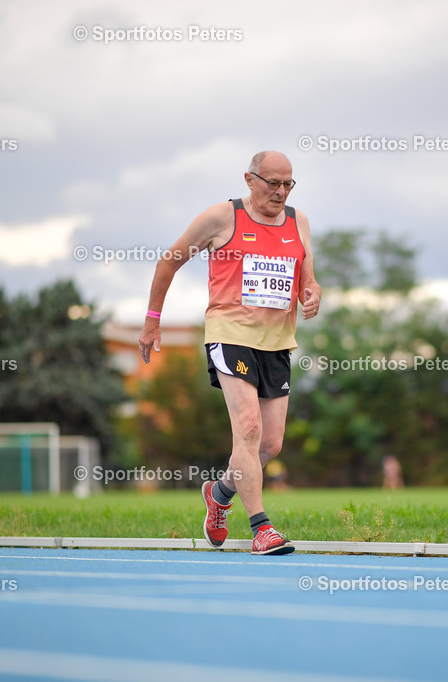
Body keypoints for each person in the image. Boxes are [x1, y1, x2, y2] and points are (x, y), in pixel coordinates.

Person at [139, 151, 321, 556]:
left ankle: (219, 493)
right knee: (248, 428)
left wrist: (312, 294)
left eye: (288, 184)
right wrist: (152, 321)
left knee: (270, 445)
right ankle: (262, 529)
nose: (280, 192)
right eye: (272, 183)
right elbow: (168, 262)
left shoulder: (299, 222)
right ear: (249, 179)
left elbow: (307, 278)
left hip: (277, 342)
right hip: (230, 333)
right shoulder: (222, 218)